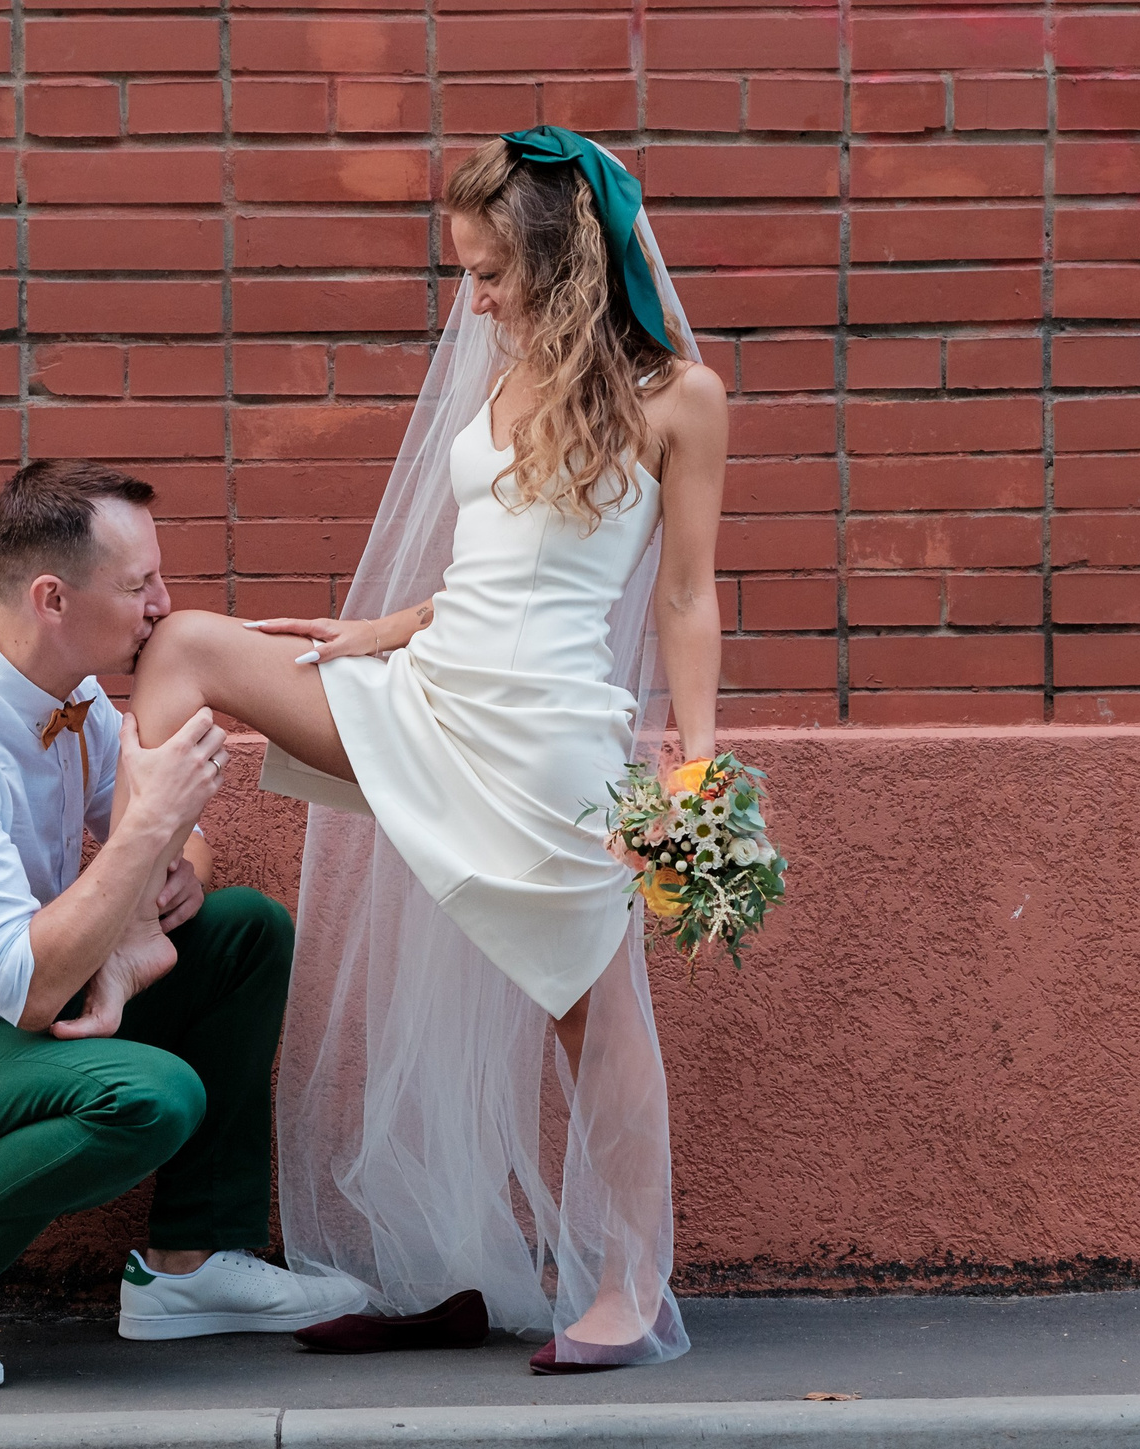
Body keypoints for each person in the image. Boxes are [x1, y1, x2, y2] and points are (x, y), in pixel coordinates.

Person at [125, 129, 729, 1372]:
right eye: (467, 273)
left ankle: (627, 1287)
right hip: (430, 693)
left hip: (549, 744)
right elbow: (488, 572)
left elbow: (683, 598)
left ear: (562, 263)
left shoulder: (680, 398)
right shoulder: (498, 378)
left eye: (493, 273)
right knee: (186, 644)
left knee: (591, 1017)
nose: (477, 298)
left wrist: (692, 773)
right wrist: (382, 632)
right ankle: (147, 891)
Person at [0, 458, 362, 1392]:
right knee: (149, 1094)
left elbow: (191, 851)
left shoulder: (75, 701)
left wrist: (165, 883)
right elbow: (29, 982)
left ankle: (190, 1264)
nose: (162, 607)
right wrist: (142, 835)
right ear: (53, 596)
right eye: (138, 586)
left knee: (245, 930)